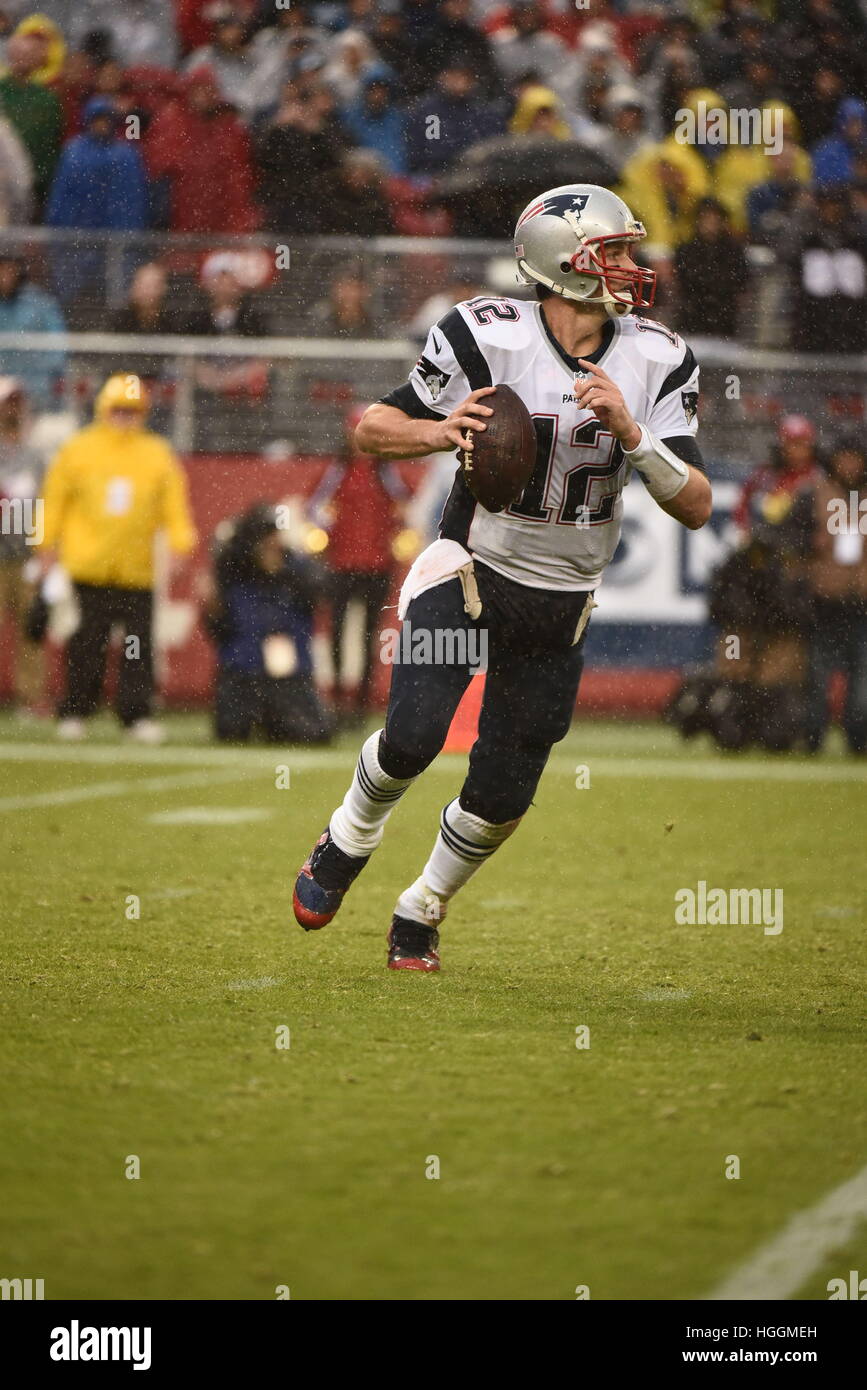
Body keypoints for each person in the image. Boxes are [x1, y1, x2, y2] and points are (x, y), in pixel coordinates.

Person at [292, 182, 712, 971]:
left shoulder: (658, 358)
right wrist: (437, 431)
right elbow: (369, 429)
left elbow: (693, 503)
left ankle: (422, 907)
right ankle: (349, 834)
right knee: (413, 737)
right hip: (469, 569)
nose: (630, 266)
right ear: (564, 263)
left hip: (560, 601)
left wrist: (631, 432)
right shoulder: (485, 334)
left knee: (501, 794)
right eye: (612, 253)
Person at [38, 373, 197, 742]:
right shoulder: (78, 449)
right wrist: (44, 546)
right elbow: (52, 503)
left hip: (136, 569)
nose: (124, 417)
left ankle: (135, 714)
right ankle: (76, 708)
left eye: (132, 410)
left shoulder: (155, 453)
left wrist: (180, 545)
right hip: (89, 566)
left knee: (136, 645)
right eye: (118, 410)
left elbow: (174, 506)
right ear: (104, 409)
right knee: (86, 642)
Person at [309, 404, 408, 724]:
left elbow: (406, 507)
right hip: (341, 565)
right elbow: (312, 507)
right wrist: (329, 534)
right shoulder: (338, 470)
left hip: (377, 566)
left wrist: (393, 536)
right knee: (337, 633)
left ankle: (360, 704)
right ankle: (337, 699)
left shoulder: (386, 471)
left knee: (368, 636)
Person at [203, 503, 334, 745]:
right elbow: (217, 627)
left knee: (311, 732)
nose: (271, 544)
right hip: (242, 673)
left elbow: (320, 585)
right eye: (264, 537)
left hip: (287, 678)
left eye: (274, 536)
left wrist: (282, 571)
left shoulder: (297, 572)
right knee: (231, 731)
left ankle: (277, 719)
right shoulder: (233, 574)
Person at [791, 438, 867, 755]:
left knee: (862, 680)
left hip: (862, 603)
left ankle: (859, 738)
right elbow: (789, 543)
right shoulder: (812, 494)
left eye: (855, 458)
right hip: (824, 601)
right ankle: (813, 737)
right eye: (844, 458)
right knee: (816, 676)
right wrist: (812, 546)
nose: (850, 465)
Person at [0, 376, 45, 715]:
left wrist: (46, 553)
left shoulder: (35, 457)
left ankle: (30, 698)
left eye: (16, 403)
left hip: (27, 555)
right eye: (7, 403)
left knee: (32, 630)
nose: (12, 410)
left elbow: (47, 505)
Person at [0, 32, 63, 209]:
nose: (23, 58)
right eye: (19, 52)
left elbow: (51, 145)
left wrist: (41, 180)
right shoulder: (1, 92)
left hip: (37, 185)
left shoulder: (47, 99)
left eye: (29, 54)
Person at [0, 253, 66, 411]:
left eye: (10, 269)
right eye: (1, 269)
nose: (5, 275)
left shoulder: (40, 303)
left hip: (35, 389)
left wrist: (37, 379)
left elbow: (58, 346)